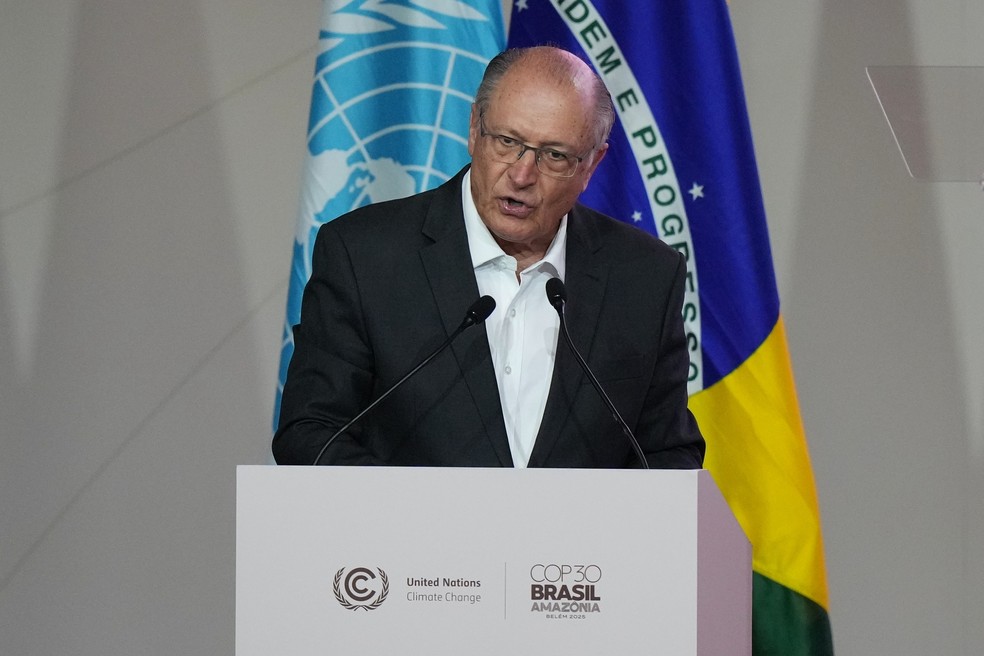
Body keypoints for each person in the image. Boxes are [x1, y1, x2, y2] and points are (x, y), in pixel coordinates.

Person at [273, 46, 703, 469]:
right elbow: (312, 432)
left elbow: (666, 455)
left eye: (554, 155)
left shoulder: (645, 277)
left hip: (579, 539)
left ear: (591, 164)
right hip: (407, 536)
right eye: (507, 141)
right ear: (474, 129)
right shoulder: (363, 256)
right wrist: (427, 518)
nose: (521, 174)